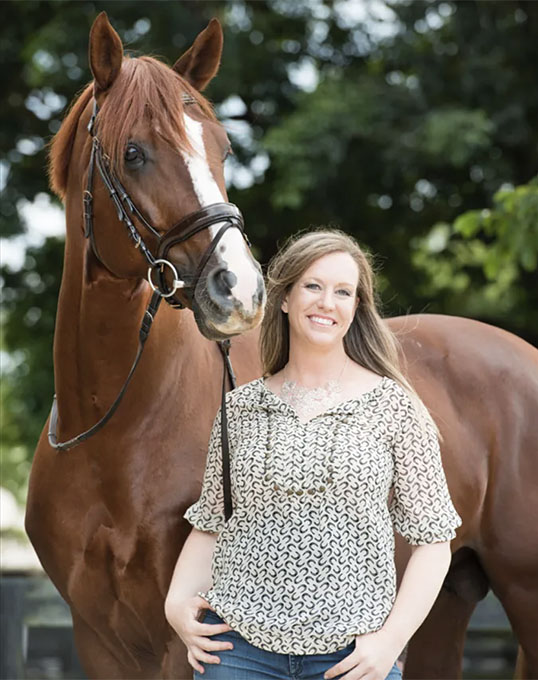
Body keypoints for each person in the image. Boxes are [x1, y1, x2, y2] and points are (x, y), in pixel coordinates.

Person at [165, 229, 462, 680]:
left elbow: (434, 544)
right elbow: (211, 525)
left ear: (356, 308)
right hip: (237, 650)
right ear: (284, 298)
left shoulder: (395, 407)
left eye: (343, 292)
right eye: (313, 286)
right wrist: (175, 605)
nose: (327, 302)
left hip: (352, 659)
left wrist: (391, 642)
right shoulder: (239, 408)